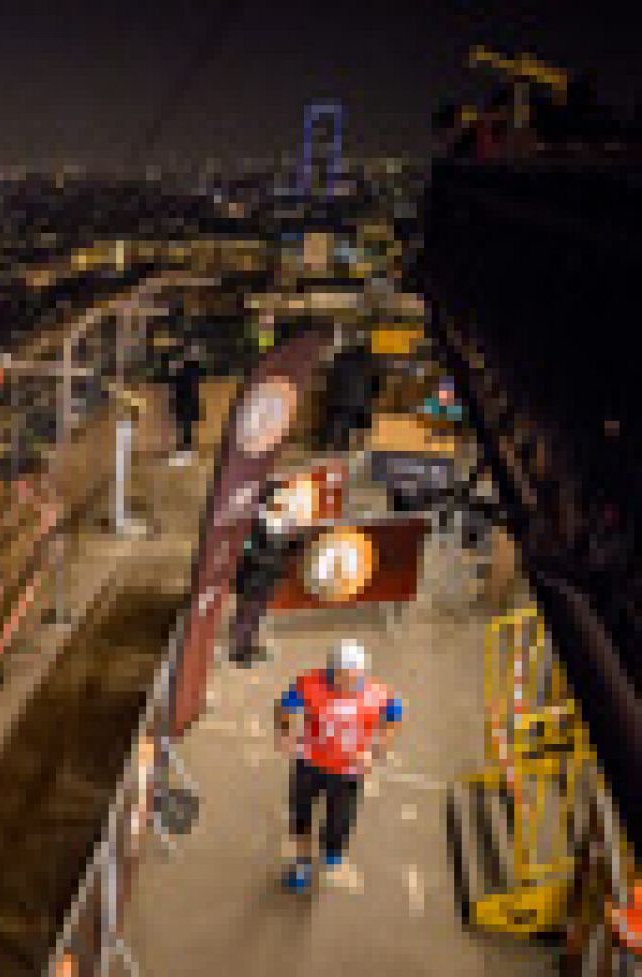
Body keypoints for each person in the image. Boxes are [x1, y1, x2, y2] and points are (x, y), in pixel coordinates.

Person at [274, 640, 404, 893]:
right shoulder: (308, 684)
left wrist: (377, 748)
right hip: (309, 762)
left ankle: (332, 847)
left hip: (348, 771)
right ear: (331, 672)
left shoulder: (379, 694)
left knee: (339, 818)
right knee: (300, 816)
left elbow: (393, 717)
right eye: (342, 677)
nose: (348, 684)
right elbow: (285, 705)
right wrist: (285, 732)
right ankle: (302, 864)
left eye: (355, 677)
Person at [229, 482, 306, 666]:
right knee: (247, 613)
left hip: (268, 575)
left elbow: (288, 546)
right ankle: (240, 652)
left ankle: (248, 646)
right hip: (252, 576)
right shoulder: (251, 521)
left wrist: (297, 541)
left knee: (257, 613)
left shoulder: (281, 521)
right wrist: (273, 560)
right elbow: (247, 550)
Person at [321, 337, 379, 454]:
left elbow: (331, 378)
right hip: (358, 402)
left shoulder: (341, 359)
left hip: (340, 400)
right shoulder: (370, 364)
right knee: (354, 429)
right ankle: (349, 450)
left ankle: (334, 447)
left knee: (339, 425)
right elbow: (375, 384)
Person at [168, 341, 204, 466]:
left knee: (185, 427)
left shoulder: (191, 369)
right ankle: (185, 450)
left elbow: (183, 385)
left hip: (187, 402)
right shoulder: (189, 368)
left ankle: (186, 451)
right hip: (184, 401)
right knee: (182, 426)